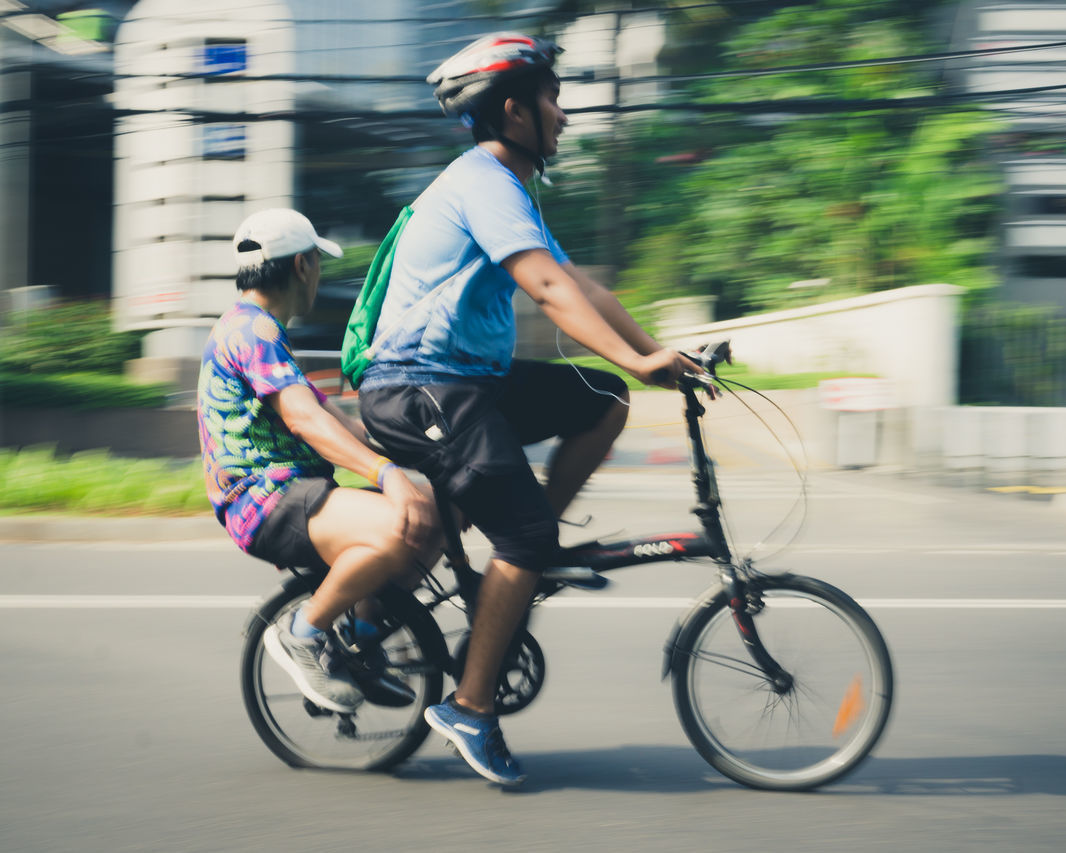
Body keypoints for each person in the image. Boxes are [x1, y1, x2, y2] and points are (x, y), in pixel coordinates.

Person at [354, 32, 700, 786]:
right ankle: (471, 707)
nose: (563, 113)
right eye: (551, 98)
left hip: (468, 382)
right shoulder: (482, 181)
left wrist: (653, 360)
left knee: (604, 397)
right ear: (514, 112)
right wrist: (640, 359)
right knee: (524, 530)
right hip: (418, 386)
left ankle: (519, 555)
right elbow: (545, 288)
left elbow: (582, 286)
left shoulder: (508, 186)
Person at [197, 208, 439, 714]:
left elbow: (334, 419)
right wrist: (387, 475)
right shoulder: (252, 333)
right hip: (265, 500)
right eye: (319, 265)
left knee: (436, 510)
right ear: (304, 265)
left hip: (295, 494)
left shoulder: (261, 331)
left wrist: (413, 454)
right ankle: (303, 633)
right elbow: (306, 419)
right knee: (401, 523)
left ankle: (363, 644)